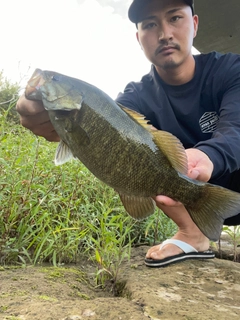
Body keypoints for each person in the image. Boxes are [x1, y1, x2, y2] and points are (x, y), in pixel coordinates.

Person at [16, 0, 240, 267]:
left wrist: (208, 156)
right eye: (150, 24)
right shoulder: (132, 99)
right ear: (139, 38)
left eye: (175, 18)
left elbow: (235, 127)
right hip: (195, 199)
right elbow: (107, 138)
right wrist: (56, 127)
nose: (165, 33)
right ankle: (192, 233)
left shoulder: (231, 69)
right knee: (152, 174)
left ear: (194, 24)